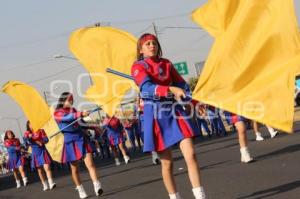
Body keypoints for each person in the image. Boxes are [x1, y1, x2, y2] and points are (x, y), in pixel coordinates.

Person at [131, 33, 206, 199]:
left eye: (154, 43)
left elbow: (181, 84)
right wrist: (169, 89)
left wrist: (193, 102)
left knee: (191, 154)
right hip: (156, 115)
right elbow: (147, 88)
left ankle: (200, 196)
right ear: (141, 49)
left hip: (175, 111)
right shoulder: (138, 67)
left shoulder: (166, 63)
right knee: (167, 163)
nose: (152, 46)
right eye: (148, 44)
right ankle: (174, 196)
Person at [54, 92, 103, 199]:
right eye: (69, 99)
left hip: (81, 138)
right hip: (70, 141)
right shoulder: (57, 113)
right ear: (63, 100)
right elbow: (67, 118)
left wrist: (93, 126)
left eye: (72, 99)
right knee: (75, 169)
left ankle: (96, 185)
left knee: (90, 164)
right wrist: (80, 114)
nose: (71, 101)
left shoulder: (74, 110)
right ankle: (80, 189)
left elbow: (81, 124)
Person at [23, 121, 56, 191]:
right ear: (28, 125)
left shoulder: (41, 130)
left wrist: (42, 141)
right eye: (30, 124)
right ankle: (45, 184)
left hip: (43, 151)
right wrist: (29, 138)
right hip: (35, 153)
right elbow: (26, 143)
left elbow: (46, 139)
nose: (32, 125)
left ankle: (51, 183)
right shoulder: (26, 133)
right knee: (40, 171)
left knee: (47, 167)